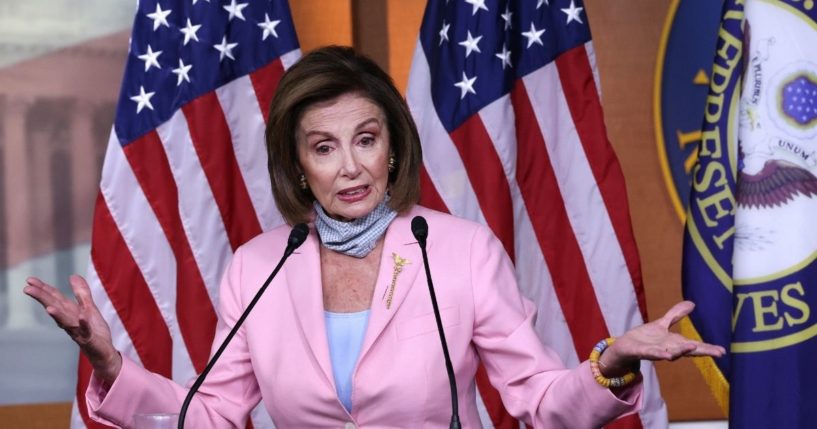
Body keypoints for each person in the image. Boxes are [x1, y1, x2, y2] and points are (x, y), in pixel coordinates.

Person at [24, 46, 725, 428]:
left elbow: (539, 401)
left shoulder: (459, 251)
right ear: (297, 164)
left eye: (366, 139)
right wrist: (112, 365)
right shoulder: (257, 267)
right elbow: (211, 416)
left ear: (392, 147)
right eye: (323, 147)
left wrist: (615, 360)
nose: (350, 165)